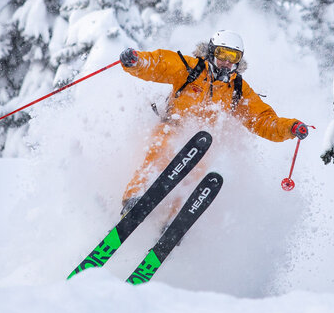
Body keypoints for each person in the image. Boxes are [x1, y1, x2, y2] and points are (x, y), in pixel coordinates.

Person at [118, 30, 309, 214]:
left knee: (198, 170)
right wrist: (136, 61)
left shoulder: (237, 89)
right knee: (162, 145)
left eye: (232, 57)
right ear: (211, 52)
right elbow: (160, 64)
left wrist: (290, 128)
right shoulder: (191, 68)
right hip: (173, 125)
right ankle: (136, 195)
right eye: (222, 54)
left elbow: (262, 120)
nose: (226, 62)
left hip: (202, 143)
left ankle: (173, 219)